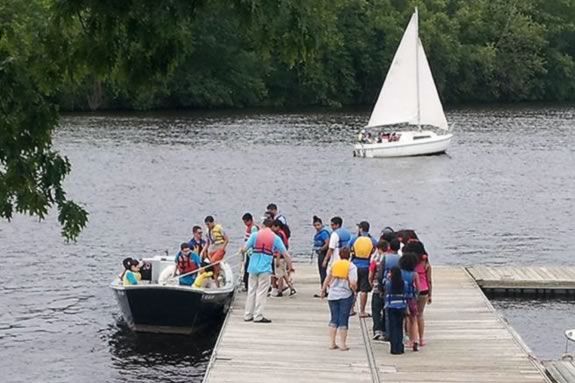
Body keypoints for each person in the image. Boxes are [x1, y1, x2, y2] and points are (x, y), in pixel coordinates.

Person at [242, 218, 290, 323]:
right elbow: (285, 254)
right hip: (265, 268)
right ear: (272, 226)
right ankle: (258, 315)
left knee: (251, 290)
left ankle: (247, 314)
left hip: (253, 267)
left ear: (263, 225)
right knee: (261, 292)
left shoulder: (254, 235)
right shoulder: (275, 238)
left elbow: (244, 249)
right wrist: (290, 266)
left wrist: (242, 252)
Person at [321, 247, 357, 351]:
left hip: (332, 295)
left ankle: (332, 343)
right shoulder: (351, 267)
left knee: (333, 318)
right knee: (343, 319)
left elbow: (327, 278)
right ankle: (343, 344)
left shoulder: (334, 265)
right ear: (349, 256)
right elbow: (353, 283)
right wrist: (354, 290)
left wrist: (323, 290)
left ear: (340, 255)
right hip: (345, 295)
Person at [406, 240, 432, 347]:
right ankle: (421, 339)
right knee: (420, 314)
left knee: (410, 316)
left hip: (412, 290)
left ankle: (412, 339)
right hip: (424, 290)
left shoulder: (409, 262)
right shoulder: (425, 263)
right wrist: (430, 294)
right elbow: (429, 280)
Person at [349, 221, 377, 318]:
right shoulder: (372, 240)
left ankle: (351, 309)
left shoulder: (354, 238)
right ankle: (362, 311)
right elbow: (377, 249)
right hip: (366, 266)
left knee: (354, 288)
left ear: (360, 229)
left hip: (355, 265)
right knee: (364, 289)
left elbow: (347, 248)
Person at [384, 266, 408, 355]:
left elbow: (385, 290)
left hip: (391, 306)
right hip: (401, 306)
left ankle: (394, 347)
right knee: (399, 327)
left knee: (392, 327)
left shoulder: (388, 283)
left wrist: (387, 277)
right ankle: (400, 346)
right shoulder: (404, 283)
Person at [399, 251, 421, 351]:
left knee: (406, 319)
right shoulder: (415, 274)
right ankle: (415, 340)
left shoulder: (400, 273)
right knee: (414, 319)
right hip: (412, 298)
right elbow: (418, 288)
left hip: (402, 298)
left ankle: (408, 339)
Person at [201, 216, 229, 286]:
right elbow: (207, 242)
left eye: (208, 224)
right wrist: (203, 251)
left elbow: (226, 239)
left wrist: (222, 248)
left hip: (219, 247)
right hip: (212, 249)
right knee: (215, 266)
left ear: (212, 222)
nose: (208, 226)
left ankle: (218, 277)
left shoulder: (219, 228)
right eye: (206, 224)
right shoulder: (207, 231)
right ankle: (217, 282)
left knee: (213, 262)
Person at [271, 219, 295, 297]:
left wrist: (277, 259)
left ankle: (280, 291)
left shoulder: (279, 235)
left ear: (277, 226)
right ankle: (291, 287)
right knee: (283, 273)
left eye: (273, 227)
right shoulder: (283, 233)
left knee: (279, 275)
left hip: (279, 257)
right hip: (283, 257)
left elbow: (279, 248)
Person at [369, 240, 388, 340]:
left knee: (376, 310)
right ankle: (385, 330)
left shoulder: (375, 259)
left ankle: (377, 330)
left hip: (377, 288)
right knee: (385, 310)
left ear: (378, 248)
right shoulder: (390, 259)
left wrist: (371, 283)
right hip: (387, 289)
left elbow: (371, 274)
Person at [313, 216, 331, 297]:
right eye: (315, 225)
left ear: (321, 224)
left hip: (323, 253)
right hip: (320, 253)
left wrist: (321, 249)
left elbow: (327, 243)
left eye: (318, 225)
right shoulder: (318, 232)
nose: (317, 227)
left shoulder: (323, 233)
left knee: (323, 272)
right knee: (322, 272)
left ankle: (324, 291)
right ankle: (324, 289)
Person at [242, 213, 259, 291]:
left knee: (248, 268)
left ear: (250, 220)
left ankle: (248, 285)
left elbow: (254, 240)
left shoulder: (253, 228)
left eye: (246, 222)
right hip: (248, 251)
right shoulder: (249, 228)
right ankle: (246, 285)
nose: (245, 224)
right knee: (247, 267)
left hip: (252, 252)